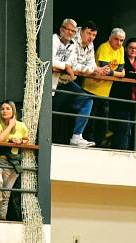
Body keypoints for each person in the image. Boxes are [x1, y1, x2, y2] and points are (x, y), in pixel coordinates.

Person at [65, 20, 108, 147]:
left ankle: (77, 136)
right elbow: (73, 65)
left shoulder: (91, 44)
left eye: (94, 35)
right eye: (89, 33)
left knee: (87, 100)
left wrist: (98, 69)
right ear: (81, 31)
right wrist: (94, 69)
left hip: (68, 80)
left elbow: (90, 63)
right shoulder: (72, 39)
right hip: (56, 80)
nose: (91, 38)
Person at [51, 19, 93, 147]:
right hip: (49, 83)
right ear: (61, 29)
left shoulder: (73, 44)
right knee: (50, 111)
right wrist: (66, 67)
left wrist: (67, 67)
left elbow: (72, 63)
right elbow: (49, 60)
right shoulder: (53, 39)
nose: (70, 32)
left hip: (64, 81)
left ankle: (76, 136)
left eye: (73, 30)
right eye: (67, 29)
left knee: (87, 100)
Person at [83, 28, 126, 147]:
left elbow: (120, 67)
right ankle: (89, 142)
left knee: (103, 121)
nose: (119, 43)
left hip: (105, 91)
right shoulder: (104, 47)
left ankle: (100, 144)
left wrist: (118, 72)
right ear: (110, 38)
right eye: (116, 39)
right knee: (90, 120)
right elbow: (105, 70)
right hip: (91, 87)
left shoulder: (121, 49)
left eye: (122, 40)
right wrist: (120, 74)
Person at [109, 37, 136, 150]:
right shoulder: (121, 57)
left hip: (135, 100)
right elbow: (126, 74)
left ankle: (125, 151)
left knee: (129, 128)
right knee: (122, 127)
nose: (134, 50)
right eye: (131, 48)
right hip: (121, 98)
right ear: (126, 48)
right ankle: (119, 151)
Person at [0, 100, 28, 220]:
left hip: (14, 163)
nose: (4, 111)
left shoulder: (21, 125)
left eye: (8, 108)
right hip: (0, 161)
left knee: (6, 195)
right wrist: (11, 125)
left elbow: (27, 139)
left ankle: (1, 219)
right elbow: (0, 138)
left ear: (13, 111)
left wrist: (20, 141)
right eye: (2, 109)